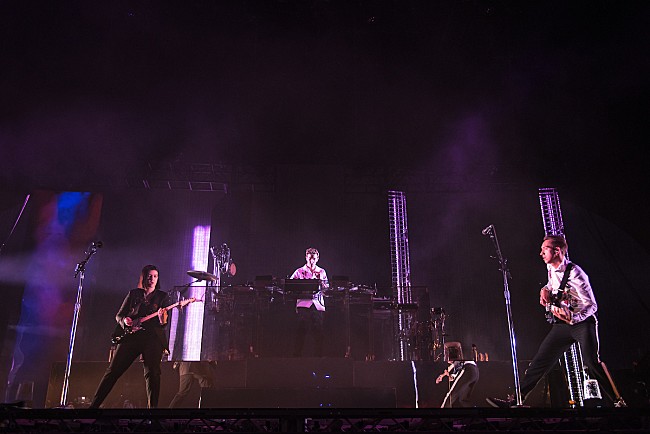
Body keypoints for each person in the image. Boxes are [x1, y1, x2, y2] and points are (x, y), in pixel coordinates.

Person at [487, 236, 625, 408]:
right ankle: (517, 400)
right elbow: (552, 285)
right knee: (540, 361)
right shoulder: (550, 268)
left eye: (545, 249)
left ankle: (618, 402)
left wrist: (573, 319)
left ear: (557, 251)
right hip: (562, 326)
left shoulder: (576, 273)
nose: (541, 253)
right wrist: (544, 290)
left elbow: (592, 305)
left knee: (591, 362)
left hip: (582, 323)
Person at [90, 265, 169, 408]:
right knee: (113, 371)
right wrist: (125, 320)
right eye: (149, 276)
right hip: (131, 336)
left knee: (153, 374)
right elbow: (119, 315)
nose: (152, 279)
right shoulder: (133, 294)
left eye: (155, 276)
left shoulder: (162, 296)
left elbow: (163, 325)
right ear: (144, 277)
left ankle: (153, 413)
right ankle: (93, 407)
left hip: (152, 339)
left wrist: (162, 318)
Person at [290, 247, 328, 357]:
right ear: (306, 258)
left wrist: (321, 282)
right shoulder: (299, 271)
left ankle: (319, 356)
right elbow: (290, 285)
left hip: (317, 304)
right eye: (310, 258)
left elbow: (327, 289)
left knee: (319, 331)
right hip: (304, 303)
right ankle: (297, 355)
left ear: (318, 259)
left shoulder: (321, 271)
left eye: (314, 259)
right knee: (301, 329)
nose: (312, 261)